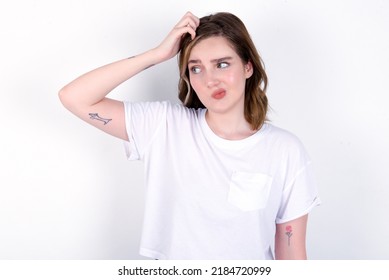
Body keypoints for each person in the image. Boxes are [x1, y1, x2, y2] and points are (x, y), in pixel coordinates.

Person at [59, 11, 320, 260]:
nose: (210, 80)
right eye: (196, 68)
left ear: (248, 67)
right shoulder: (164, 126)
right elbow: (74, 97)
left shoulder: (285, 150)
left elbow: (291, 256)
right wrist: (156, 55)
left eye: (222, 64)